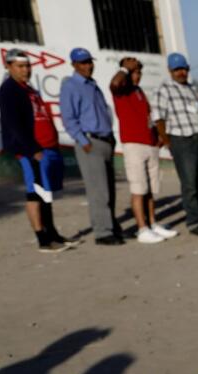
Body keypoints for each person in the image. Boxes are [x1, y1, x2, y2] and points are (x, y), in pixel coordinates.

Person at [0, 48, 75, 253]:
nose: (26, 70)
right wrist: (32, 150)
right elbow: (15, 125)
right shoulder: (9, 90)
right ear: (9, 66)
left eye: (28, 66)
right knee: (35, 194)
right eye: (21, 66)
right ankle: (43, 240)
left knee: (46, 193)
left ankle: (53, 234)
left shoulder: (29, 89)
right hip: (32, 151)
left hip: (47, 148)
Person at [111, 56, 176, 244]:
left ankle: (153, 223)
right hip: (133, 144)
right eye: (134, 72)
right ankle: (141, 228)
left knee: (150, 190)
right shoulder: (121, 90)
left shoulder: (139, 91)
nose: (137, 76)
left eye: (139, 72)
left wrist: (158, 137)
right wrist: (124, 69)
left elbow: (149, 117)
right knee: (138, 189)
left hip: (149, 144)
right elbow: (115, 83)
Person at [60, 47, 120, 245]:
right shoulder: (70, 86)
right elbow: (69, 118)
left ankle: (112, 226)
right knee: (98, 191)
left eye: (89, 62)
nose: (88, 66)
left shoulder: (92, 84)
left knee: (109, 189)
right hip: (90, 142)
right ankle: (103, 232)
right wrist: (83, 141)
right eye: (83, 63)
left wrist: (111, 136)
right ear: (74, 65)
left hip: (105, 140)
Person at [155, 52, 198, 235]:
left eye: (183, 69)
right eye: (177, 70)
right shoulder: (164, 89)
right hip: (182, 141)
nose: (181, 72)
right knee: (189, 183)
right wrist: (168, 142)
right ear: (170, 71)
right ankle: (194, 222)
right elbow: (158, 118)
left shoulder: (192, 88)